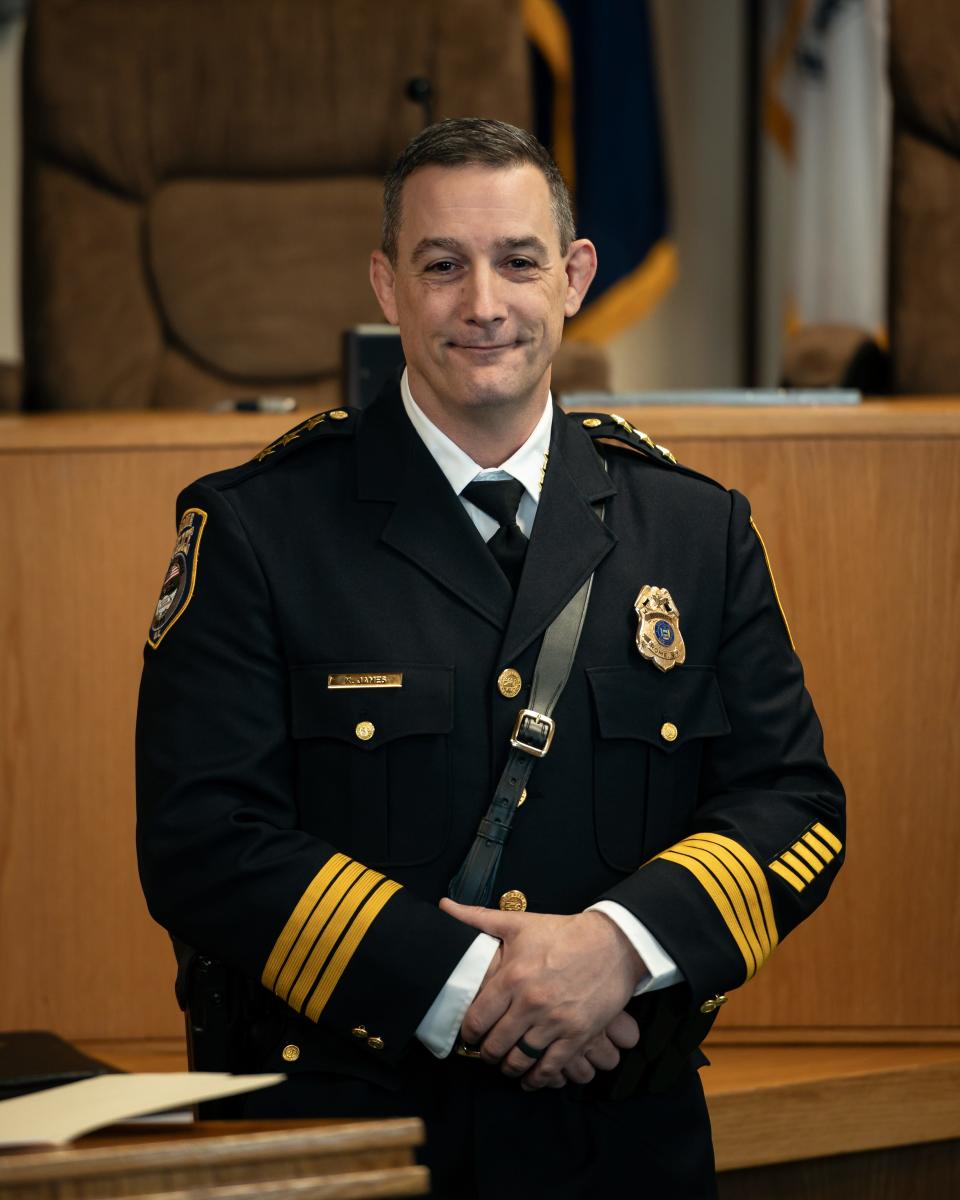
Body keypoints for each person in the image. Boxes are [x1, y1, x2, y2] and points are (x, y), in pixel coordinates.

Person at [136, 118, 844, 1198]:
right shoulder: (256, 530)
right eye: (440, 265)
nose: (483, 304)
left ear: (574, 276)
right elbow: (201, 838)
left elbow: (794, 805)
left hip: (622, 1142)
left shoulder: (698, 532)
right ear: (385, 284)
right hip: (354, 1143)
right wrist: (471, 988)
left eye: (518, 261)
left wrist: (619, 949)